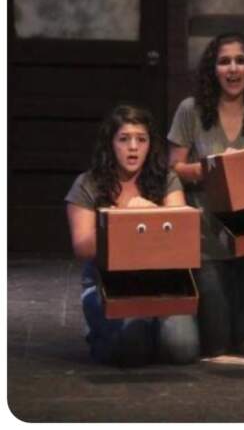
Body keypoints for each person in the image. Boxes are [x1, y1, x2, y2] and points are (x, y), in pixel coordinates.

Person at [167, 32, 244, 358]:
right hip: (208, 241)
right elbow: (173, 168)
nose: (233, 69)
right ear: (213, 68)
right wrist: (214, 169)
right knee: (216, 345)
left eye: (240, 60)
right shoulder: (190, 110)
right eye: (224, 61)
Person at [66, 104, 199, 367]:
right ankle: (106, 334)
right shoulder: (87, 183)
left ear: (150, 144)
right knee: (133, 348)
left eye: (141, 139)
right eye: (124, 139)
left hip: (160, 282)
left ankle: (149, 328)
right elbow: (82, 247)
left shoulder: (165, 179)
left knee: (183, 349)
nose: (134, 147)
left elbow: (180, 236)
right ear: (110, 144)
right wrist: (123, 220)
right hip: (107, 284)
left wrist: (153, 217)